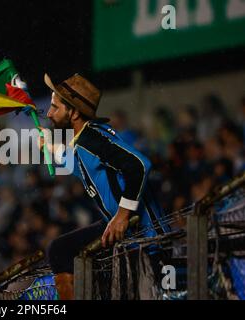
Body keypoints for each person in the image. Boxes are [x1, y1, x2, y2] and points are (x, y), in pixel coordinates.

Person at [39, 73, 171, 299]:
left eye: (55, 107)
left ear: (74, 112)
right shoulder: (85, 140)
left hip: (147, 239)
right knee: (61, 250)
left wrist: (121, 215)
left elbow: (139, 165)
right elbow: (76, 163)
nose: (49, 113)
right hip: (128, 236)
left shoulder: (91, 139)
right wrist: (50, 147)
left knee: (59, 250)